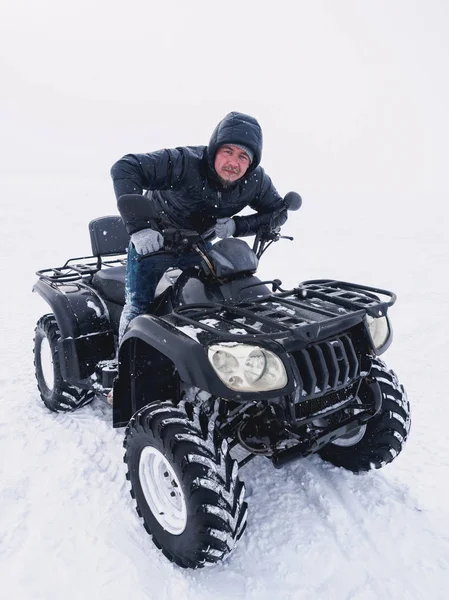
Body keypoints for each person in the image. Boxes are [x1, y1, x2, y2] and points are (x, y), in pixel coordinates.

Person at [111, 111, 288, 340]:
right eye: (228, 151)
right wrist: (140, 227)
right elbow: (125, 168)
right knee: (138, 306)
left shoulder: (255, 181)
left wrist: (237, 226)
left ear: (252, 163)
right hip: (153, 243)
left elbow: (277, 212)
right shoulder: (185, 162)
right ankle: (123, 361)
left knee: (212, 302)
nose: (234, 163)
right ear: (215, 148)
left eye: (243, 156)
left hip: (199, 245)